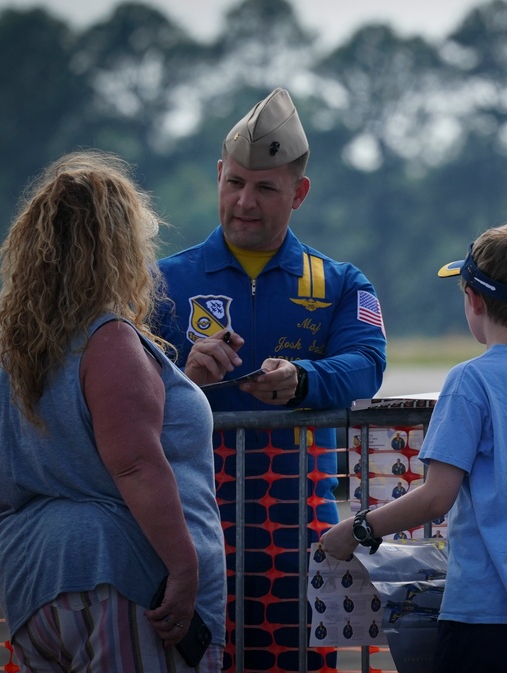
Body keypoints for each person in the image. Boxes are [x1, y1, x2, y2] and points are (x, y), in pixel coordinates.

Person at [152, 87, 387, 671]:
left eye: (265, 188)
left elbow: (368, 365)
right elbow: (115, 389)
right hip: (184, 530)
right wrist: (182, 378)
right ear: (218, 175)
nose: (244, 202)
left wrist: (303, 380)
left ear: (299, 192)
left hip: (300, 535)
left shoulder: (340, 283)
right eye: (234, 182)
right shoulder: (158, 282)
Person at [0, 150, 227, 672]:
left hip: (30, 588)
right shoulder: (106, 338)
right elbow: (135, 465)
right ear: (116, 248)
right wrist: (183, 568)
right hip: (116, 583)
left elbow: (5, 467)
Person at [320, 221, 507, 673]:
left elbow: (437, 495)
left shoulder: (470, 380)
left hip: (485, 612)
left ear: (472, 298)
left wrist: (356, 530)